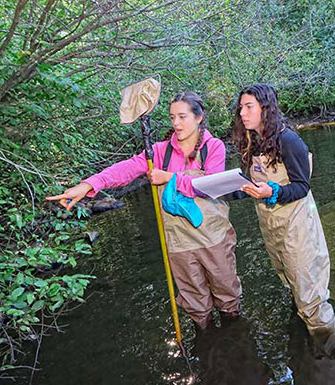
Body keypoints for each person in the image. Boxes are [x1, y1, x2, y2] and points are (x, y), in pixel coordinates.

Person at [46, 92, 241, 330]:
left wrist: (167, 177)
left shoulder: (214, 148)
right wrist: (88, 184)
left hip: (214, 239)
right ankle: (206, 342)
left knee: (227, 296)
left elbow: (207, 186)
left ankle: (235, 339)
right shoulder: (158, 152)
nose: (176, 124)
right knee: (196, 305)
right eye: (172, 117)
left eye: (182, 117)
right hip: (179, 245)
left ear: (199, 118)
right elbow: (125, 169)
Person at [232, 83, 335, 357]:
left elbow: (302, 186)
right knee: (290, 282)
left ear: (265, 109)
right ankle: (305, 346)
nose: (242, 113)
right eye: (241, 107)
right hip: (272, 227)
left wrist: (273, 191)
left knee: (310, 293)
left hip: (298, 227)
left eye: (249, 107)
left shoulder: (289, 141)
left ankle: (327, 355)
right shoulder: (252, 142)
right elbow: (256, 185)